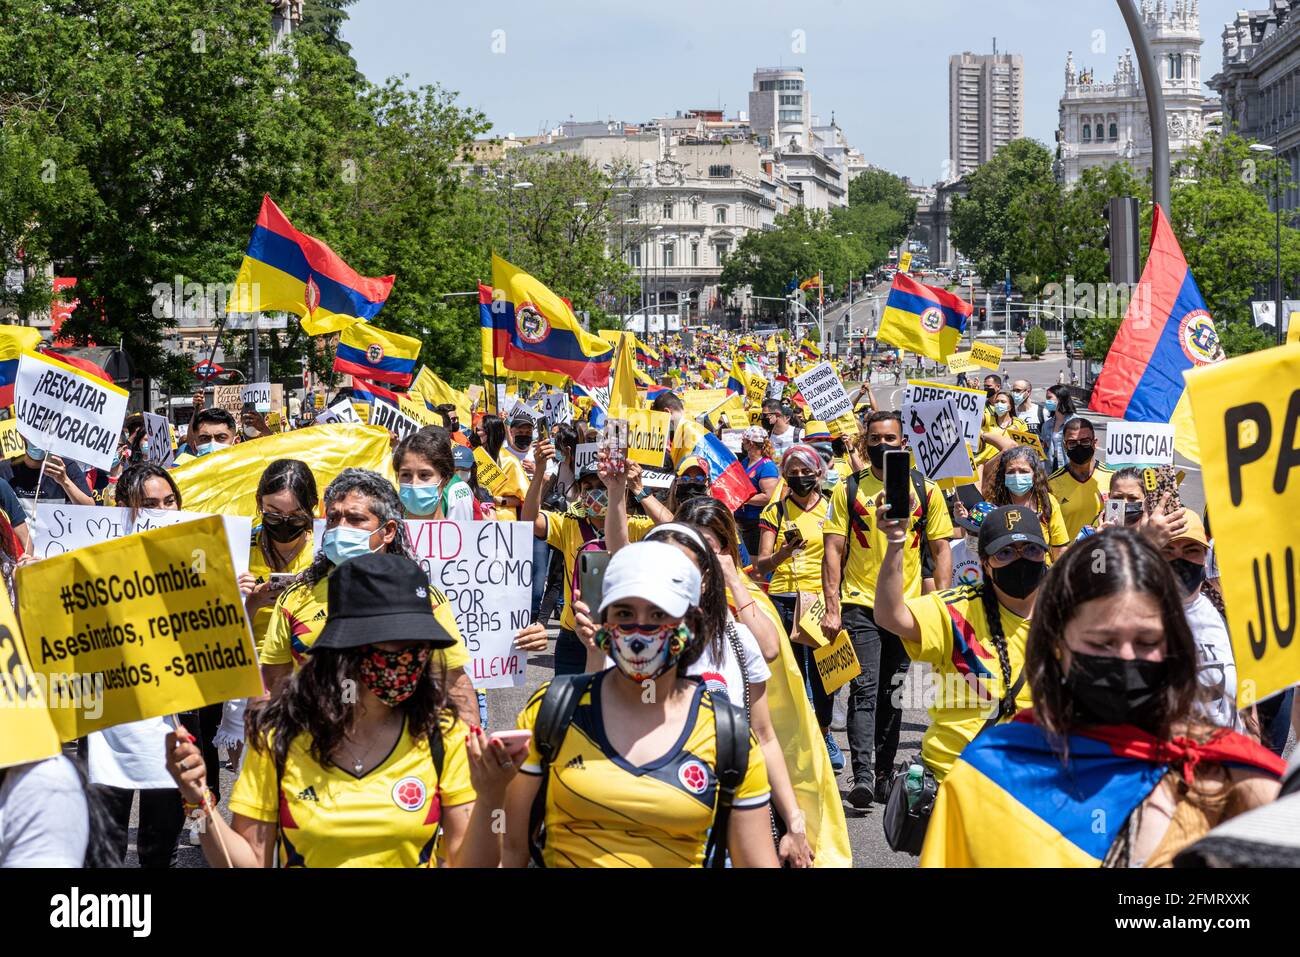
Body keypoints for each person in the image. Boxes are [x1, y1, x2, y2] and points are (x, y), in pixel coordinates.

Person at [920, 529, 1285, 867]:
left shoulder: (1231, 775)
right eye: (1102, 642)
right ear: (1057, 646)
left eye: (1146, 642)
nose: (1126, 658)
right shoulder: (986, 778)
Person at [166, 553, 515, 867]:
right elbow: (248, 862)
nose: (412, 654)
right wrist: (199, 805)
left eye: (421, 643)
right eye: (396, 641)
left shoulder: (443, 734)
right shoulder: (279, 736)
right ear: (348, 646)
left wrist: (492, 797)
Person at [497, 541, 778, 868]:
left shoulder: (728, 735)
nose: (640, 631)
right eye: (625, 613)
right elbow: (510, 849)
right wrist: (489, 793)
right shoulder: (554, 708)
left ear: (692, 624)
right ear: (603, 622)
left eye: (659, 614)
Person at [258, 468, 480, 727]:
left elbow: (453, 683)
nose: (341, 528)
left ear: (388, 531)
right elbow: (274, 684)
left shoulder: (425, 601)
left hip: (401, 754)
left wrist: (470, 753)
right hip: (313, 749)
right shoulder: (295, 599)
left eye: (355, 519)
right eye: (333, 518)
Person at [820, 411, 954, 809]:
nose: (882, 445)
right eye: (874, 439)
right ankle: (861, 776)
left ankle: (883, 773)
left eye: (889, 438)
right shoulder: (847, 490)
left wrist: (943, 604)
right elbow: (833, 550)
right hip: (859, 604)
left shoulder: (926, 491)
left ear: (903, 443)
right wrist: (831, 607)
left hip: (906, 609)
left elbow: (941, 549)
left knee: (892, 694)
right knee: (864, 689)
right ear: (865, 443)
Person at [873, 504, 1043, 785]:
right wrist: (895, 543)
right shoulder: (956, 611)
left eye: (1032, 550)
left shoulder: (1067, 616)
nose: (1020, 560)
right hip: (953, 783)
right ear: (985, 564)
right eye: (1006, 553)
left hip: (1032, 790)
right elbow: (890, 616)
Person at [85, 463, 188, 866]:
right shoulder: (92, 557)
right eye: (148, 505)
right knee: (105, 839)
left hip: (175, 710)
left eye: (169, 501)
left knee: (161, 842)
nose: (162, 511)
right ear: (122, 507)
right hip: (109, 713)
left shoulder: (200, 551)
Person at [521, 442, 654, 676]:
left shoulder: (633, 527)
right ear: (581, 493)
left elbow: (674, 527)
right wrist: (540, 471)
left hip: (622, 638)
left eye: (601, 485)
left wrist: (638, 490)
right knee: (570, 706)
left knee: (611, 709)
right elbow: (530, 520)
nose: (595, 492)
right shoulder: (568, 525)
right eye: (588, 487)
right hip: (573, 638)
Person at [753, 444, 841, 771]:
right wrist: (782, 554)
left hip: (819, 600)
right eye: (794, 472)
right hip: (782, 600)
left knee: (823, 675)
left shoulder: (833, 509)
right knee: (790, 676)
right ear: (786, 476)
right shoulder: (773, 513)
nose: (801, 478)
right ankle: (795, 739)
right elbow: (761, 566)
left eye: (807, 472)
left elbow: (843, 556)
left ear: (818, 474)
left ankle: (825, 733)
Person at [1158, 510, 1243, 732]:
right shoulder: (1141, 616)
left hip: (1225, 755)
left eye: (1190, 550)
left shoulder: (1223, 613)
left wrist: (1251, 735)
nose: (1180, 559)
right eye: (1169, 551)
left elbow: (1242, 697)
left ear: (1205, 557)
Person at [985, 446, 1070, 562]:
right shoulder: (992, 504)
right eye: (1011, 471)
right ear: (1003, 475)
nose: (1017, 476)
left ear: (1035, 474)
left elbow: (1060, 549)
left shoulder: (1047, 502)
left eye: (1023, 471)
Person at [1047, 417, 1112, 541]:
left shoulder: (1113, 478)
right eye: (1072, 443)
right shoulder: (1051, 484)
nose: (1079, 446)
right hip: (1070, 557)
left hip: (1105, 555)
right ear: (1065, 446)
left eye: (1085, 441)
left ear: (1095, 443)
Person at [394, 427, 475, 521]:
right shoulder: (386, 533)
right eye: (406, 475)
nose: (414, 484)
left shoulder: (456, 535)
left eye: (424, 475)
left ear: (446, 479)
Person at [0, 442, 94, 506]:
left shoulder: (64, 467)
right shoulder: (4, 470)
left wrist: (64, 481)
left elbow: (90, 509)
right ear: (22, 435)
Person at [734, 426, 780, 555]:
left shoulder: (767, 467)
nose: (742, 443)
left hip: (756, 522)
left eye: (744, 441)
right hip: (742, 520)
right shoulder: (745, 461)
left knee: (754, 564)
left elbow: (768, 497)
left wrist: (743, 500)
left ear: (751, 444)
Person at [1038, 383, 1076, 473]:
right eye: (1046, 398)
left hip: (1070, 468)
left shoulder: (1076, 421)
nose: (1047, 401)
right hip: (1051, 468)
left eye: (1049, 398)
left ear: (1061, 398)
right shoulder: (1046, 425)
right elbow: (1045, 449)